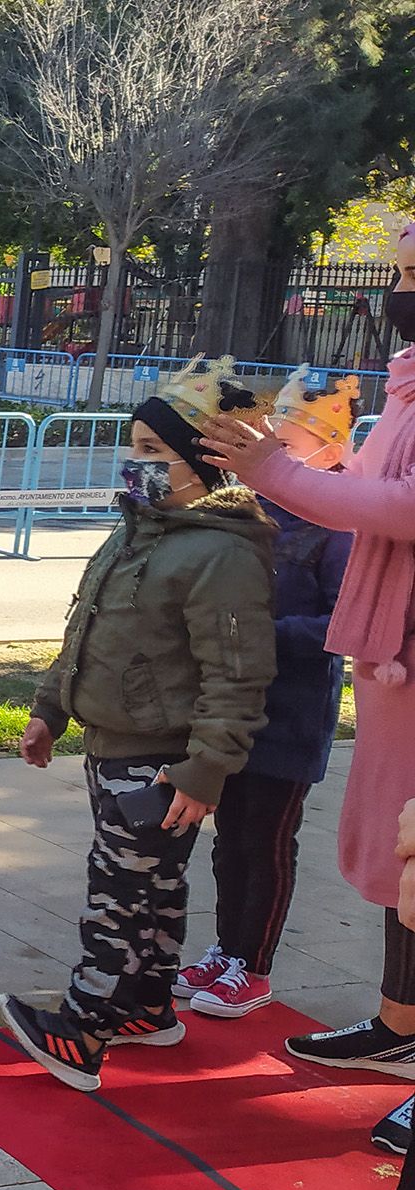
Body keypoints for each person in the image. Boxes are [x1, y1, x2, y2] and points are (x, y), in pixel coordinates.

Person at [3, 357, 276, 1092]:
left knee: (119, 892)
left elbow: (237, 671)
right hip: (114, 744)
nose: (137, 461)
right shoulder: (137, 529)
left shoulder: (220, 552)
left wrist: (208, 764)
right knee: (152, 888)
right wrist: (48, 708)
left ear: (199, 460)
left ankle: (83, 1026)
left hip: (162, 759)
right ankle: (148, 1005)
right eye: (135, 445)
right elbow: (87, 628)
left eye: (155, 450)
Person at [200, 223, 415, 1114]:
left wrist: (282, 469)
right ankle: (400, 1024)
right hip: (394, 658)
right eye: (402, 271)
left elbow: (401, 506)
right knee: (402, 855)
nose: (401, 291)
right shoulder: (406, 386)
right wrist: (295, 459)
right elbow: (364, 480)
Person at [174, 366, 356, 1020]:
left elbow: (344, 622)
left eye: (299, 434)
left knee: (268, 841)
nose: (280, 441)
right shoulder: (252, 508)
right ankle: (226, 947)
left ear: (333, 453)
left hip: (292, 714)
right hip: (235, 710)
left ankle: (254, 965)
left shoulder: (337, 527)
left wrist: (265, 635)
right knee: (230, 838)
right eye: (279, 428)